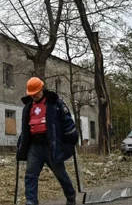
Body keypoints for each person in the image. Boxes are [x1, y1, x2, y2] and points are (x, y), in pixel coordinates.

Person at [16, 77, 79, 205]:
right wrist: (21, 142)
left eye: (36, 92)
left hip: (52, 144)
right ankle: (31, 201)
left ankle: (71, 197)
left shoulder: (55, 103)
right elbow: (25, 127)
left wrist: (72, 135)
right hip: (35, 145)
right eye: (31, 93)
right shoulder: (28, 107)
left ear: (41, 88)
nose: (34, 95)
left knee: (60, 173)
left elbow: (67, 120)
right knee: (30, 174)